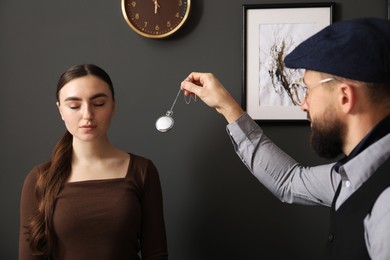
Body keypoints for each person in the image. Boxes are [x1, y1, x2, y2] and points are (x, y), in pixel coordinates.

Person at [180, 18, 390, 259]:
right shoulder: (354, 175)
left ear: (344, 97)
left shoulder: (387, 206)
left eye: (308, 90)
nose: (303, 104)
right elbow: (289, 180)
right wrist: (226, 106)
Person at [19, 64, 168, 260]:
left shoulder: (143, 170)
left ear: (113, 106)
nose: (87, 115)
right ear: (60, 110)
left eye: (98, 104)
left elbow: (156, 254)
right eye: (74, 106)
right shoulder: (39, 178)